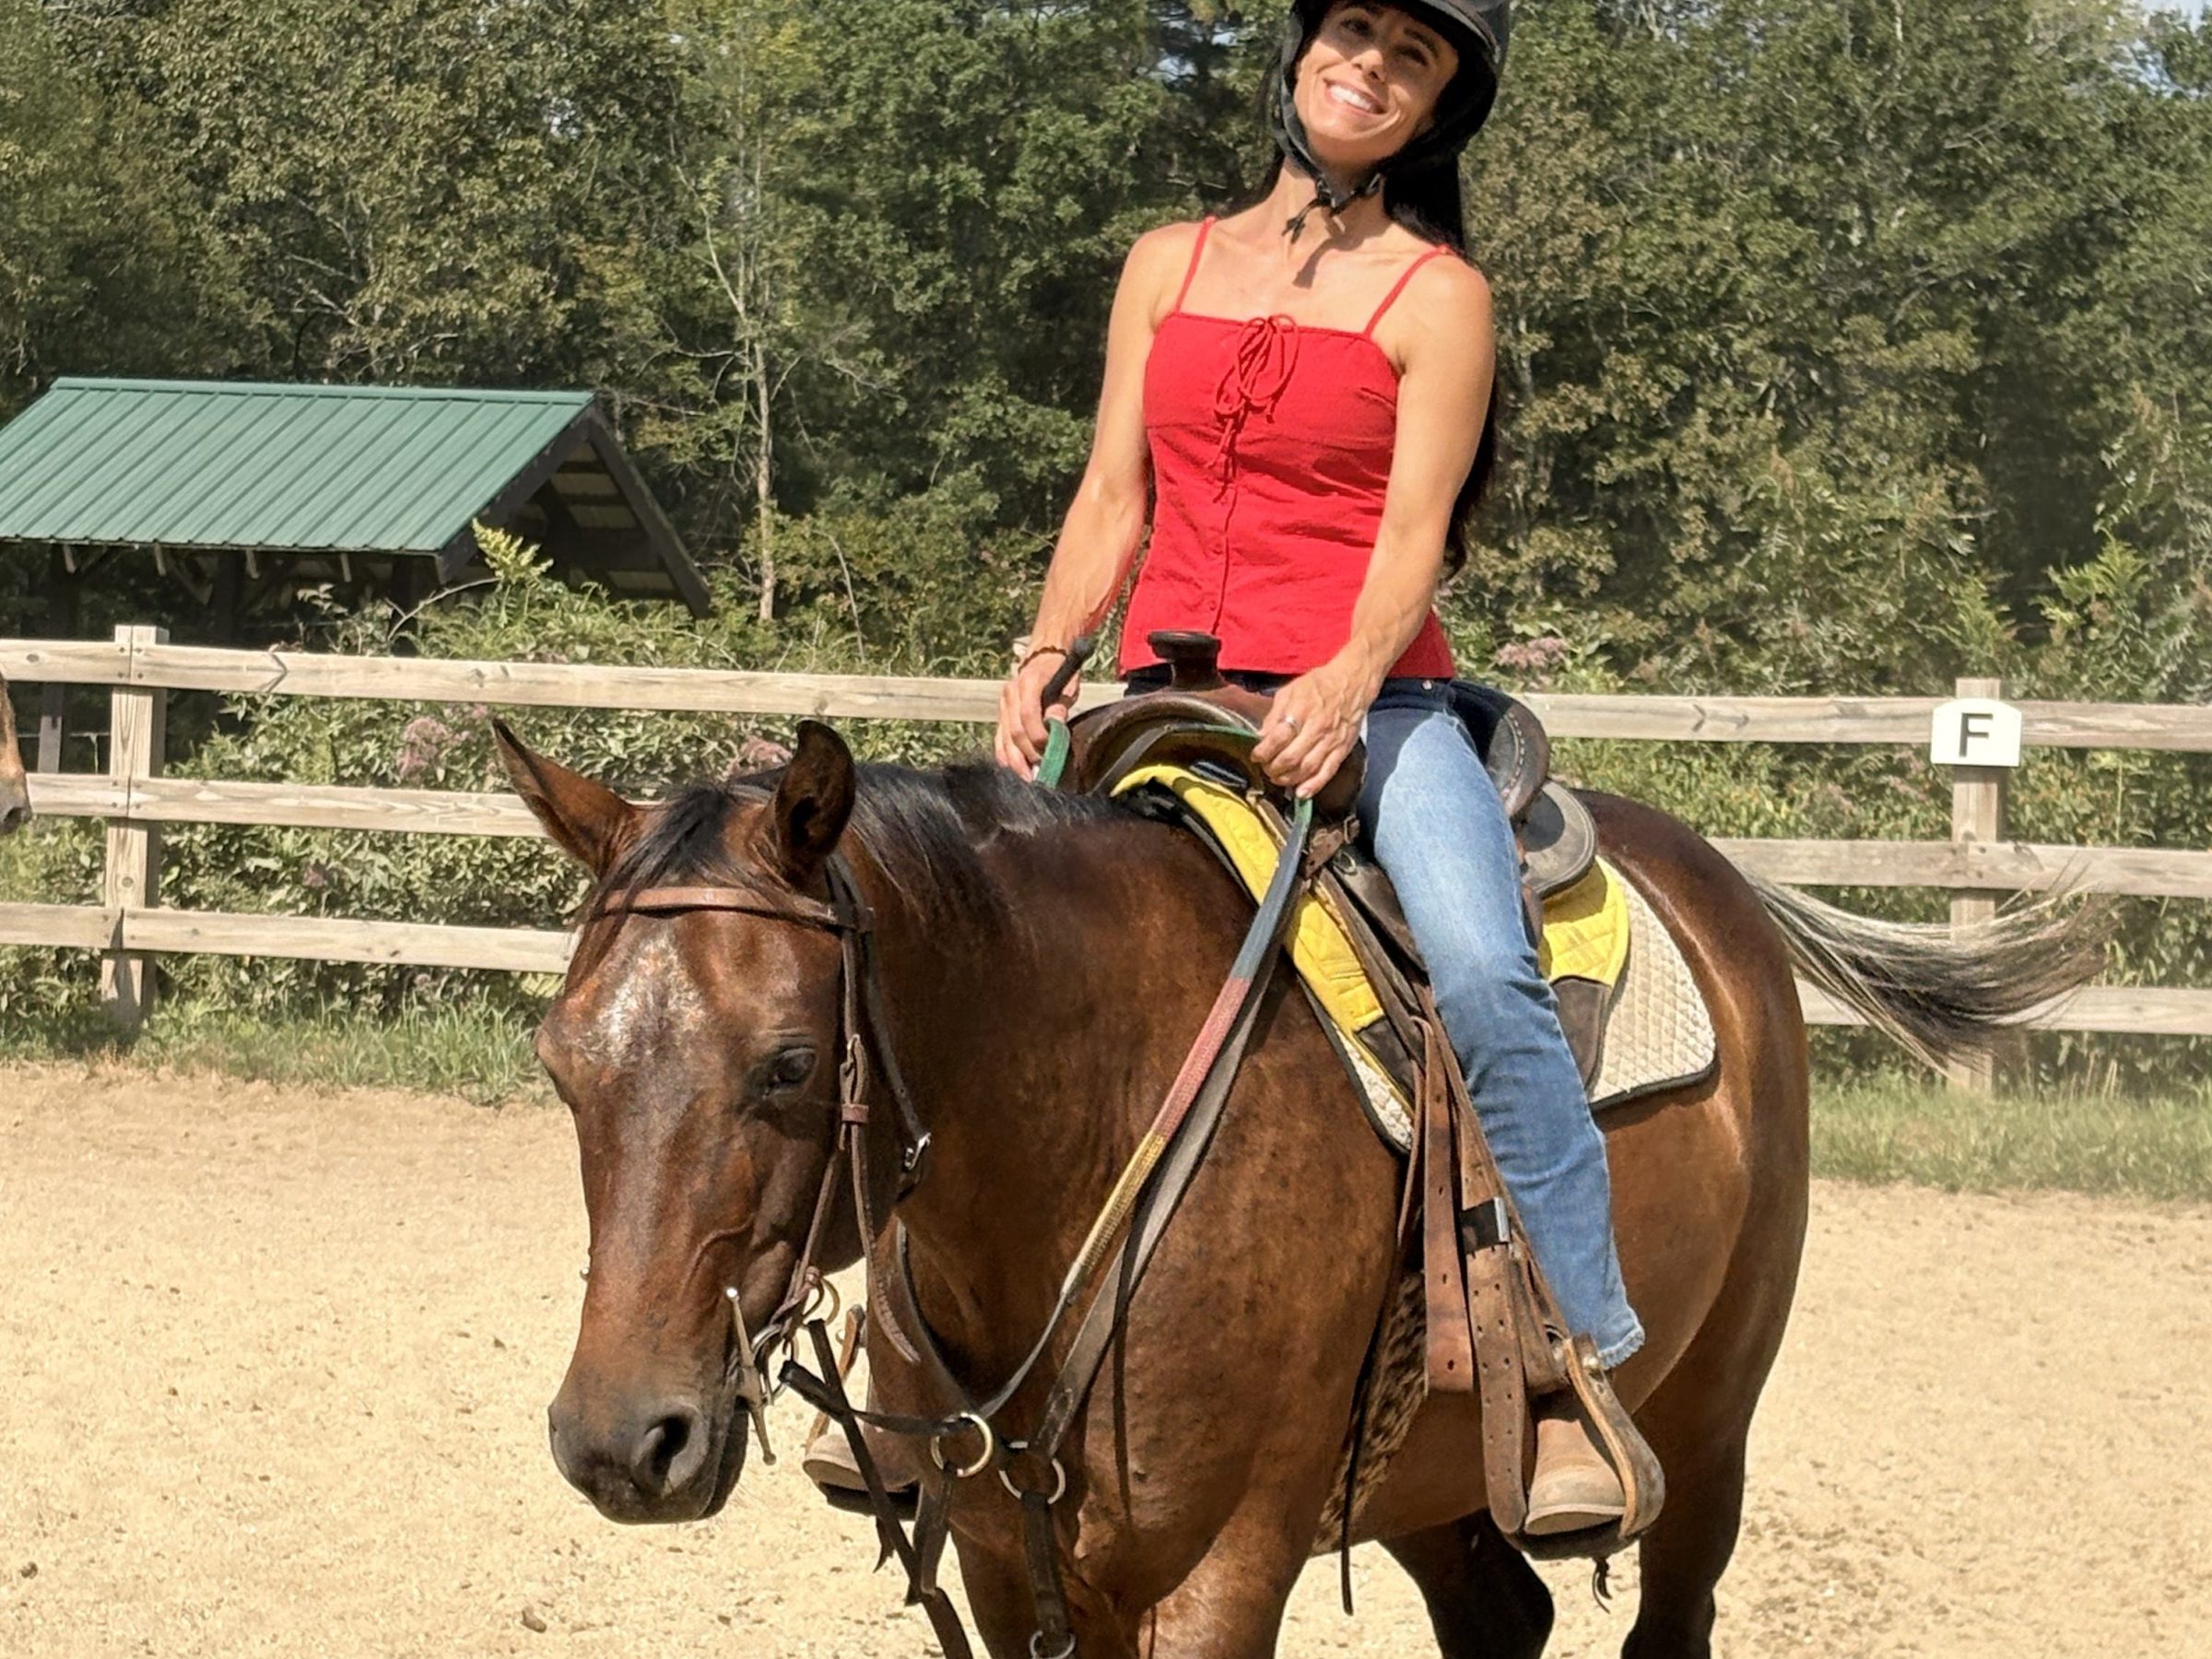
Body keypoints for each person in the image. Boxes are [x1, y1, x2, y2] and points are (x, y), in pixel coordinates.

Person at [990, 0, 1643, 1535]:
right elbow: (1110, 490)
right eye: (1353, 29)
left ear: (1429, 113)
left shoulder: (1439, 297)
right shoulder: (1167, 262)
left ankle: (1566, 1361)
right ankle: (914, 1352)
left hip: (1369, 703)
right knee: (965, 948)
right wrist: (1040, 651)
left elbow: (1415, 540)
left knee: (1483, 975)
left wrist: (1348, 684)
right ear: (1299, 56)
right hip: (1156, 695)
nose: (1371, 64)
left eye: (1411, 58)